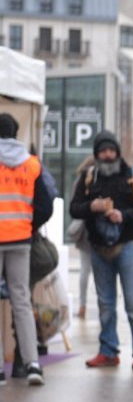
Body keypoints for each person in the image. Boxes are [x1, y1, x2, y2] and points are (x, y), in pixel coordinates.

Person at [68, 130, 133, 370]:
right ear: (96, 154)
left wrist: (123, 215)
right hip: (97, 247)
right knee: (105, 303)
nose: (107, 155)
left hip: (128, 245)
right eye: (103, 151)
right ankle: (108, 350)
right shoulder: (87, 178)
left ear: (117, 152)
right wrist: (91, 206)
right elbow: (74, 209)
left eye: (111, 150)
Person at [0, 114, 52, 386]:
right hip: (21, 240)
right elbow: (46, 205)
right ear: (16, 133)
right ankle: (32, 363)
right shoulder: (31, 164)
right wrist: (28, 225)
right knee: (21, 301)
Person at [67, 157, 95, 320]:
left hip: (84, 232)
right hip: (92, 230)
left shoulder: (79, 179)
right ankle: (101, 305)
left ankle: (82, 305)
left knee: (84, 269)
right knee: (99, 271)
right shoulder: (95, 179)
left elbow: (74, 204)